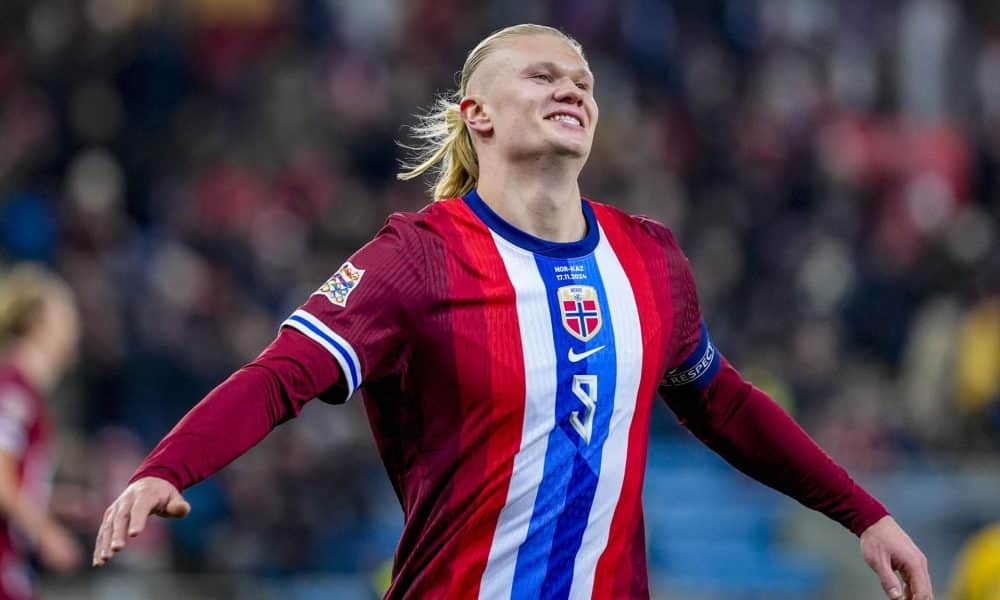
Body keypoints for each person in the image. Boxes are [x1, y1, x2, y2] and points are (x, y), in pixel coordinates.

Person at [93, 24, 933, 600]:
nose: (572, 88)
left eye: (584, 82)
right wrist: (169, 466)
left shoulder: (651, 259)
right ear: (478, 115)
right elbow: (283, 375)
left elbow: (725, 405)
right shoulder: (416, 257)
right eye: (542, 75)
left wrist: (864, 514)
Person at [0, 265, 83, 599]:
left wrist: (50, 501)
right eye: (65, 317)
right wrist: (47, 533)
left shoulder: (25, 393)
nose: (74, 330)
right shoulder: (13, 389)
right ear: (38, 324)